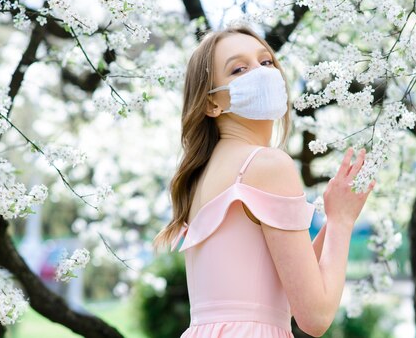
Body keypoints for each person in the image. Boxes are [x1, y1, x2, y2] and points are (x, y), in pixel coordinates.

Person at [152, 24, 376, 337]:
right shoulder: (266, 165)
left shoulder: (201, 176)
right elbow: (315, 316)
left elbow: (279, 281)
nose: (261, 72)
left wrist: (334, 216)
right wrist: (341, 222)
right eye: (239, 69)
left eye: (266, 62)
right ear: (211, 103)